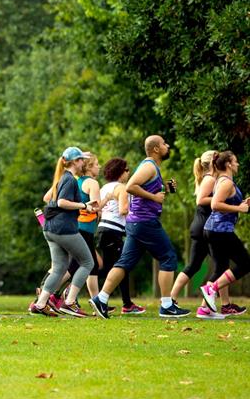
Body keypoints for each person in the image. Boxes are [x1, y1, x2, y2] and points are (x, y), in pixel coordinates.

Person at [89, 135, 189, 318]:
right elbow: (131, 187)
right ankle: (167, 305)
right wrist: (154, 198)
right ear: (156, 149)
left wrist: (164, 189)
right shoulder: (149, 166)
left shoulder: (152, 168)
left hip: (136, 223)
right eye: (164, 143)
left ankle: (101, 299)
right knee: (168, 257)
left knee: (124, 263)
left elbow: (145, 190)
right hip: (145, 222)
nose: (167, 145)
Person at [29, 147, 95, 318]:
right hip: (63, 229)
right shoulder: (70, 180)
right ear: (74, 162)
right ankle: (70, 302)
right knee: (87, 262)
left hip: (50, 228)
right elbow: (62, 202)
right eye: (81, 160)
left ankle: (40, 303)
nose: (83, 163)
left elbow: (49, 199)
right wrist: (84, 205)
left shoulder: (61, 178)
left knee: (59, 268)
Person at [170, 151, 228, 316]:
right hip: (205, 227)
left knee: (197, 265)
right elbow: (200, 200)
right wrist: (221, 198)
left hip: (201, 225)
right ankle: (208, 306)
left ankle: (171, 300)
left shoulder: (208, 178)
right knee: (221, 267)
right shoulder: (210, 178)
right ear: (214, 162)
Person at [199, 151, 250, 317]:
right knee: (245, 263)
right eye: (235, 161)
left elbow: (224, 202)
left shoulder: (223, 181)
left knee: (221, 268)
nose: (238, 164)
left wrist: (242, 204)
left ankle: (204, 309)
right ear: (228, 164)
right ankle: (211, 289)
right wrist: (239, 209)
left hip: (214, 230)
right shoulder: (226, 182)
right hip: (220, 230)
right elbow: (215, 204)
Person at [96, 158, 145, 314]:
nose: (129, 173)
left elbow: (99, 209)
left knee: (117, 267)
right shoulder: (122, 188)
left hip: (103, 229)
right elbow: (124, 210)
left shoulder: (104, 188)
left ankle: (127, 304)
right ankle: (73, 286)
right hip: (113, 231)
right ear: (120, 172)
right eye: (127, 170)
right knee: (118, 267)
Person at [62, 153, 102, 300]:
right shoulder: (92, 183)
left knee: (89, 265)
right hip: (85, 228)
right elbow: (96, 206)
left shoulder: (77, 181)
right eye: (97, 164)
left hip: (78, 226)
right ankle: (47, 292)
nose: (99, 167)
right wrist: (108, 199)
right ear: (90, 167)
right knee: (78, 265)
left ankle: (96, 300)